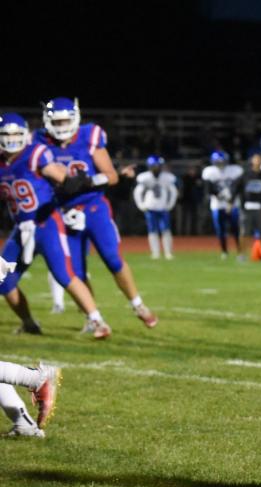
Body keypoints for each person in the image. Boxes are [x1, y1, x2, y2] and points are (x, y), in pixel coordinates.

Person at [35, 98, 157, 330]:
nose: (61, 126)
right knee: (76, 271)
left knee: (112, 258)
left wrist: (86, 182)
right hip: (64, 212)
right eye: (57, 121)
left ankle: (138, 304)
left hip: (93, 207)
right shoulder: (39, 141)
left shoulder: (89, 136)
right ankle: (93, 319)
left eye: (65, 120)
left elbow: (111, 176)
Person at [0, 113, 112, 339]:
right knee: (3, 279)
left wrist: (80, 182)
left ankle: (97, 321)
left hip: (46, 223)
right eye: (6, 134)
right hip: (21, 229)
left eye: (15, 134)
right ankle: (29, 323)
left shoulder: (35, 154)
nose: (11, 139)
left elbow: (64, 179)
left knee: (63, 274)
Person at [133, 155, 177, 260]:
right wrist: (140, 204)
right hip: (150, 207)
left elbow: (173, 191)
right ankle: (155, 252)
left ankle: (168, 252)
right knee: (152, 231)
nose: (156, 168)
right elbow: (138, 192)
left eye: (158, 166)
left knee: (166, 230)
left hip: (163, 207)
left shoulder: (167, 177)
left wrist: (170, 204)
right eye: (154, 166)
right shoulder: (144, 177)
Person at [202, 151, 241, 258]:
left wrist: (231, 200)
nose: (220, 164)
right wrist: (220, 196)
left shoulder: (234, 170)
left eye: (222, 161)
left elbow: (238, 187)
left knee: (236, 228)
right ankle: (224, 251)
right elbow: (208, 189)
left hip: (232, 204)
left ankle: (239, 250)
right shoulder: (209, 171)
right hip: (217, 204)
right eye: (218, 162)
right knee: (220, 229)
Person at [234, 154, 261, 260]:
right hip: (246, 207)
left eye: (260, 160)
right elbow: (236, 189)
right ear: (252, 161)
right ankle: (241, 254)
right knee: (244, 233)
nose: (258, 162)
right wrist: (231, 202)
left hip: (260, 207)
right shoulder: (245, 175)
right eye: (256, 160)